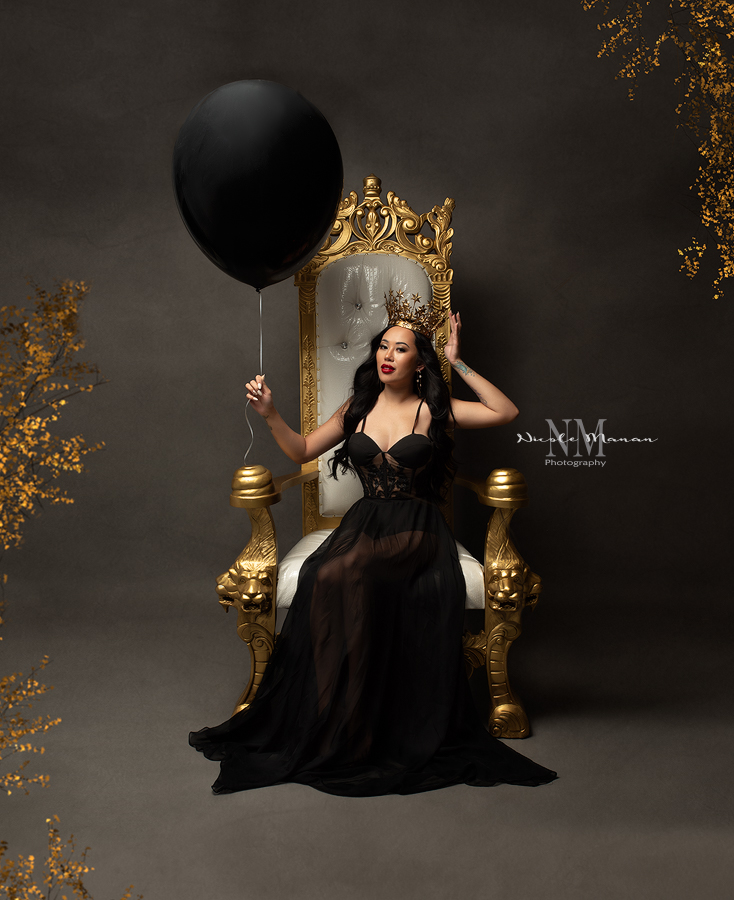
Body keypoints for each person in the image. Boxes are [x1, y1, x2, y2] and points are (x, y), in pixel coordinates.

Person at [190, 299, 557, 795]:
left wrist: (456, 360)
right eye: (383, 345)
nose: (387, 355)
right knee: (328, 575)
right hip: (366, 521)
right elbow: (301, 450)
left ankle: (357, 716)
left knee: (348, 569)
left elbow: (504, 411)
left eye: (400, 348)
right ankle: (333, 712)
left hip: (418, 527)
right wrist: (271, 414)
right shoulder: (357, 407)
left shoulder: (435, 410)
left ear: (418, 362)